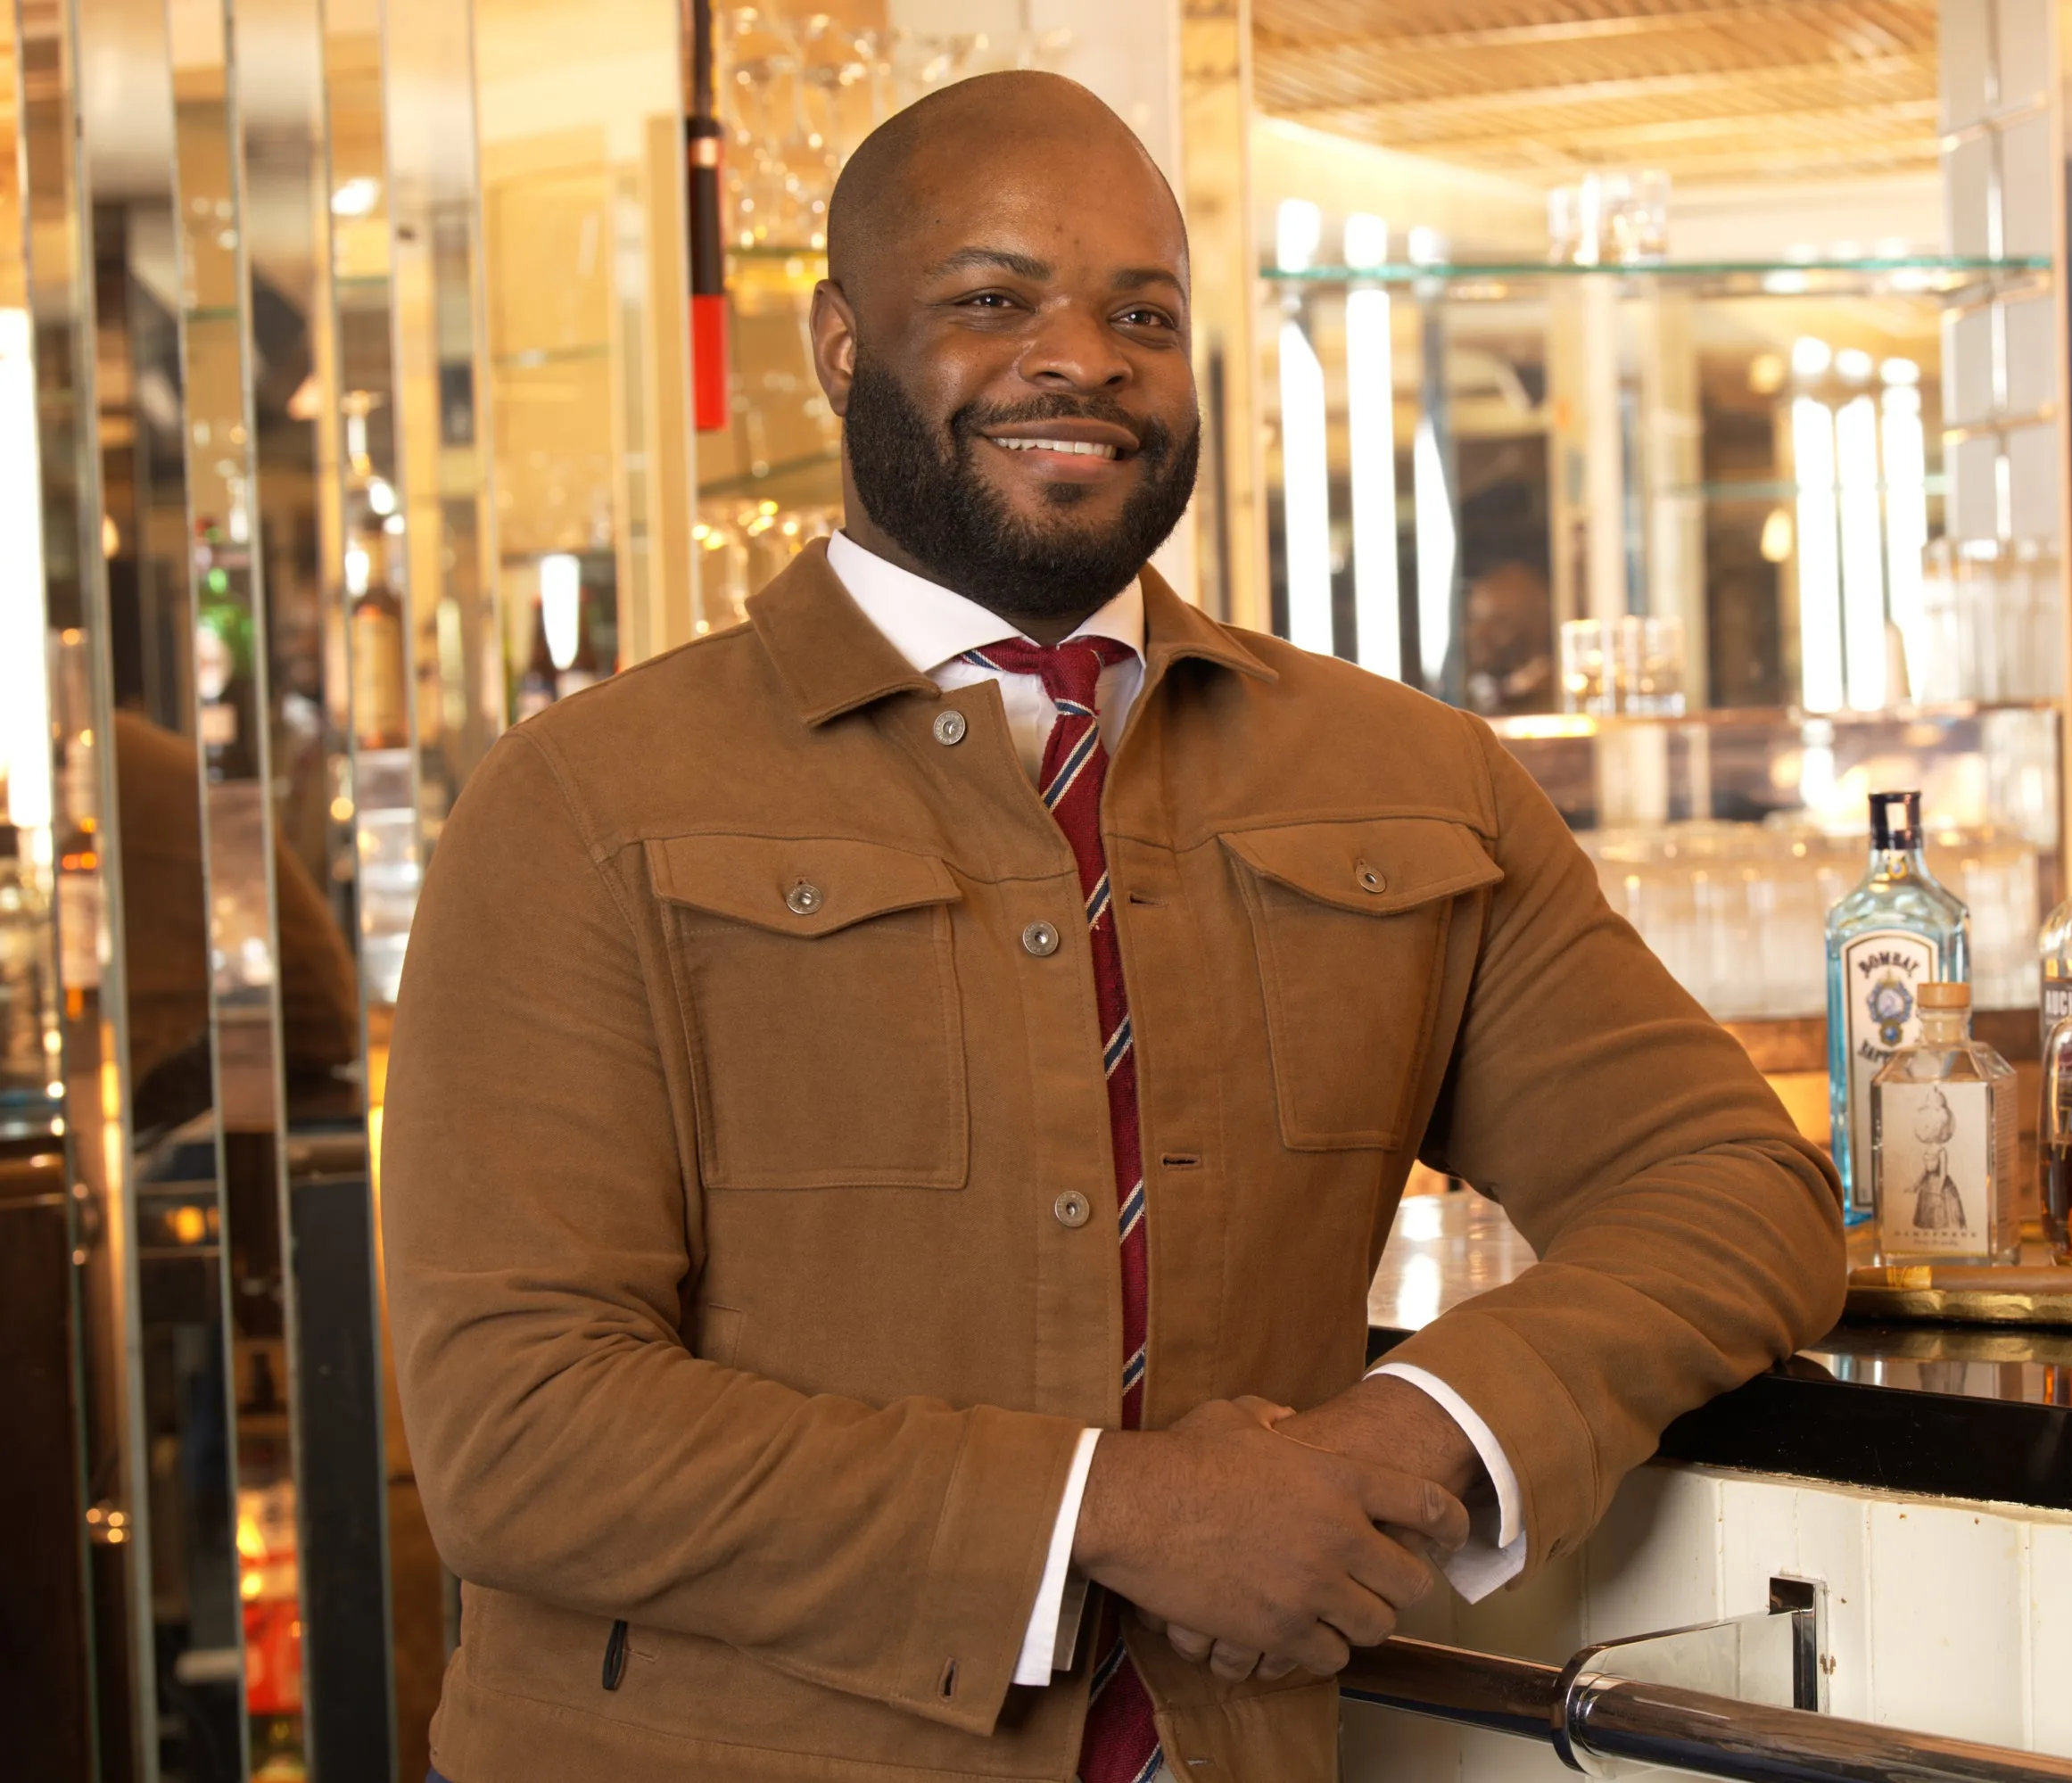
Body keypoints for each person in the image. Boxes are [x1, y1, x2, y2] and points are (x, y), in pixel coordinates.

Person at [381, 71, 1845, 1783]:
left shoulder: (1412, 775)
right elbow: (520, 1426)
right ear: (841, 350)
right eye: (993, 299)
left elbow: (1734, 1189)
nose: (1082, 358)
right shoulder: (580, 803)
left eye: (1142, 311)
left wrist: (1425, 1426)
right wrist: (1121, 1508)